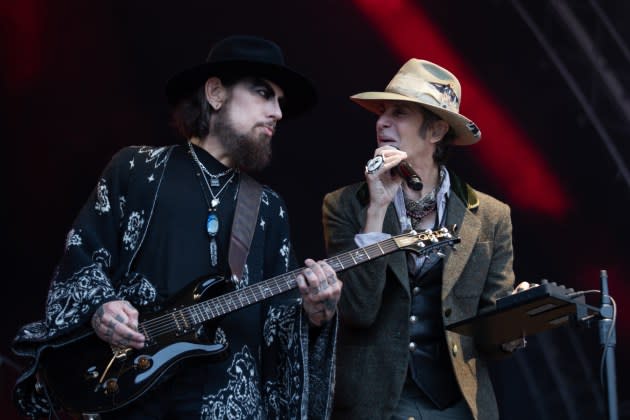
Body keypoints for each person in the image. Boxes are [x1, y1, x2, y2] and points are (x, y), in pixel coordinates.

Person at [12, 35, 341, 420]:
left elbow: (277, 326)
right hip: (132, 398)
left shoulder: (268, 207)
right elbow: (82, 259)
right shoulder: (136, 170)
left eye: (280, 102)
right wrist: (102, 309)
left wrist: (314, 314)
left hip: (229, 406)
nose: (277, 113)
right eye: (263, 93)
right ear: (216, 93)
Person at [322, 59, 529, 420]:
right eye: (382, 111)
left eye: (398, 112)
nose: (382, 121)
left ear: (435, 131)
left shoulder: (491, 216)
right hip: (376, 405)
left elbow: (492, 340)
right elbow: (357, 311)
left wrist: (515, 321)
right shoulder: (343, 205)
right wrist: (376, 210)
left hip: (457, 406)